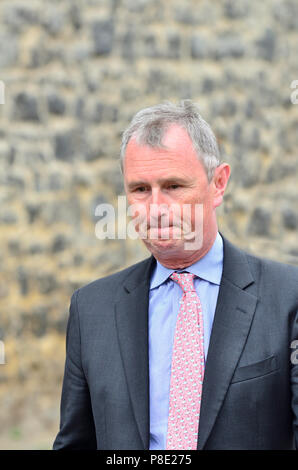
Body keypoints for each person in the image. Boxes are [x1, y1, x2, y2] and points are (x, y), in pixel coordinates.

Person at [53, 100, 298, 450]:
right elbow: (75, 443)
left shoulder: (288, 298)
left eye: (174, 186)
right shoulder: (91, 309)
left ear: (218, 183)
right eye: (140, 190)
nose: (156, 208)